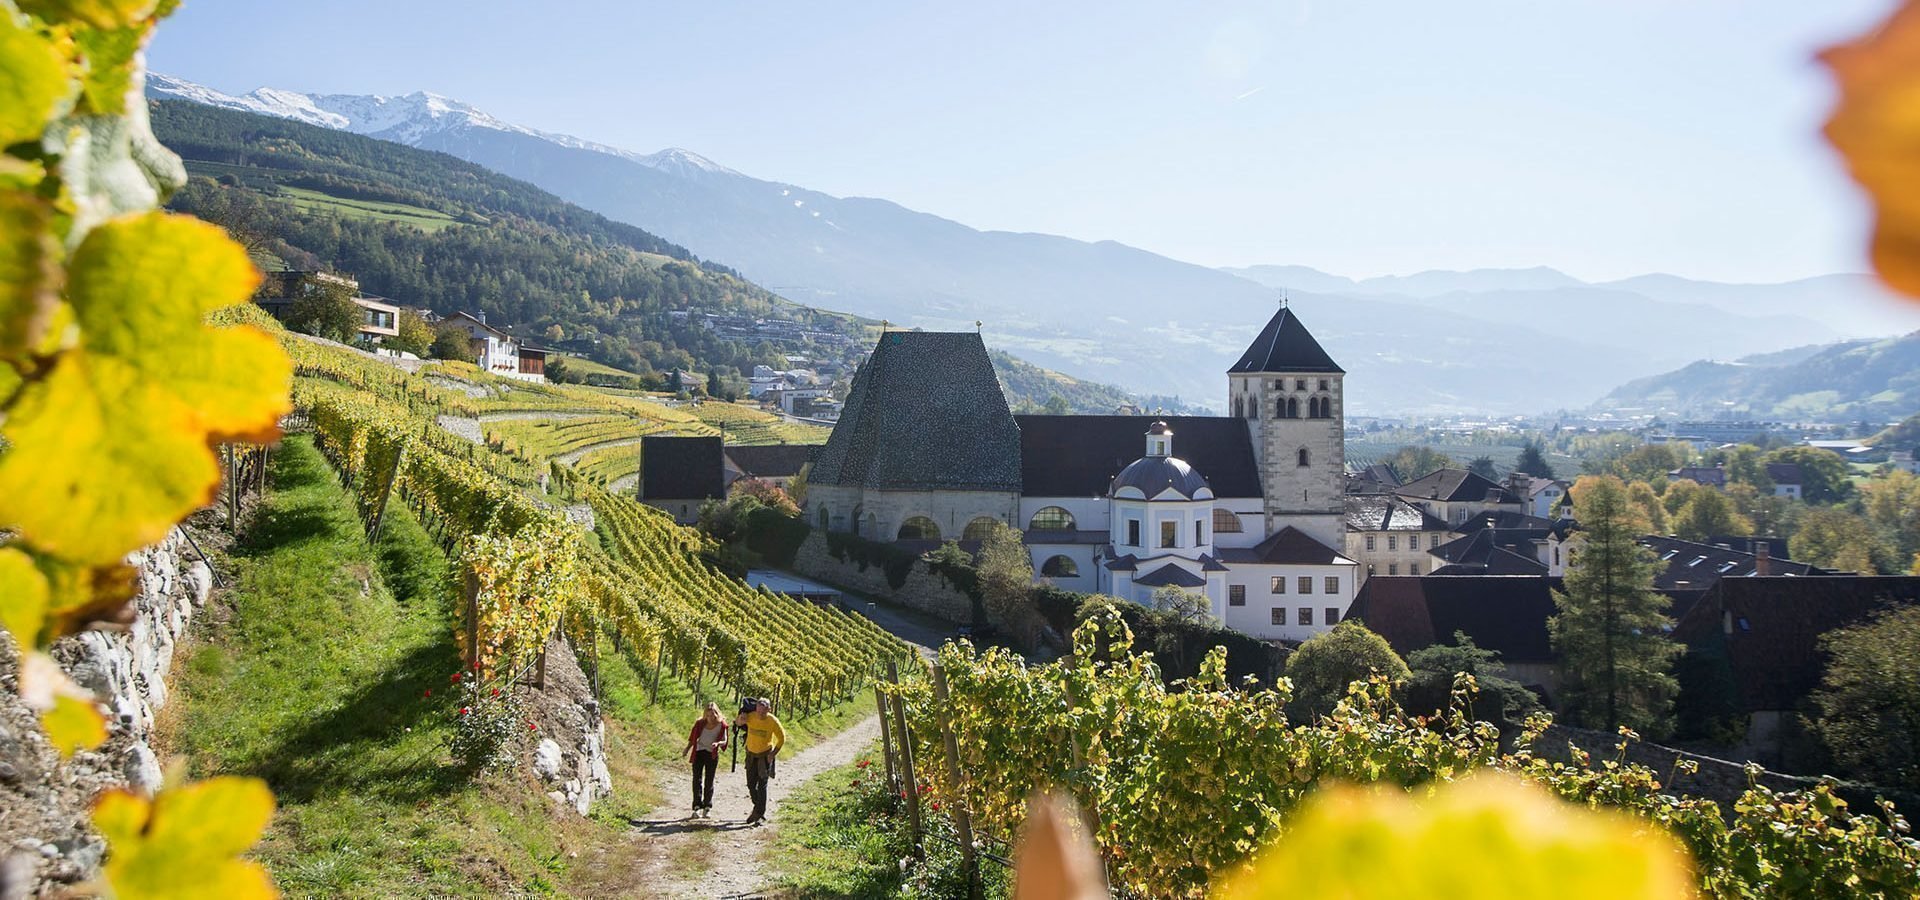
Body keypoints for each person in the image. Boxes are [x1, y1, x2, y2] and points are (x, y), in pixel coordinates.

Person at [740, 697, 787, 825]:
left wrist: (773, 754)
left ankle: (759, 814)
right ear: (756, 709)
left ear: (769, 710)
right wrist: (741, 719)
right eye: (758, 711)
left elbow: (782, 738)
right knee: (750, 784)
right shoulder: (750, 716)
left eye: (763, 712)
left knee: (762, 785)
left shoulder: (773, 721)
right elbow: (738, 723)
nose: (760, 714)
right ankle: (758, 809)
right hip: (751, 755)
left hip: (764, 756)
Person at [682, 703, 728, 815]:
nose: (711, 718)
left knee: (709, 780)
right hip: (699, 752)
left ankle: (707, 806)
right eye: (708, 715)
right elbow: (693, 737)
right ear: (705, 715)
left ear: (717, 714)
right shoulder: (700, 723)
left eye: (713, 715)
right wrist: (687, 749)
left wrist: (718, 743)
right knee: (696, 779)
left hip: (711, 754)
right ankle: (697, 805)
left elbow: (725, 740)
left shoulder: (722, 725)